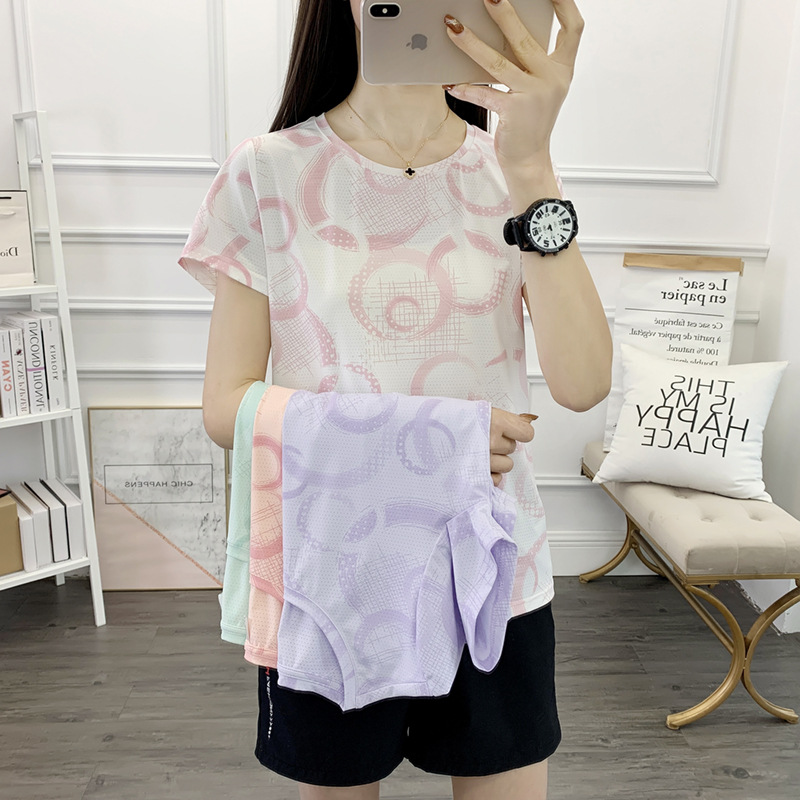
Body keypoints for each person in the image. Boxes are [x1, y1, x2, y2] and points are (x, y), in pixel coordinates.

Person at [179, 0, 611, 797]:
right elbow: (224, 406)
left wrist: (532, 170)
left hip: (490, 567)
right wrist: (442, 441)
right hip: (337, 570)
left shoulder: (512, 171)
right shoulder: (266, 172)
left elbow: (584, 384)